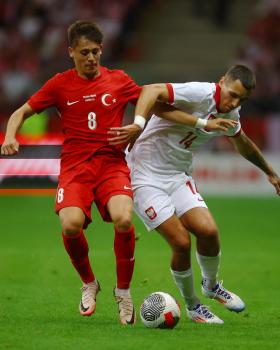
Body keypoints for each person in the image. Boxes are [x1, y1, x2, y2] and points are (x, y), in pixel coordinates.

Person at [0, 20, 236, 326]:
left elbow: (157, 106)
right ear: (71, 52)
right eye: (84, 52)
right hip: (75, 168)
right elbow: (22, 111)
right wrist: (10, 136)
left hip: (112, 165)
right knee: (71, 225)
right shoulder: (59, 84)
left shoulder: (119, 80)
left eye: (96, 51)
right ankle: (89, 282)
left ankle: (123, 292)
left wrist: (200, 123)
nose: (91, 58)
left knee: (124, 218)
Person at [110, 64, 280, 324]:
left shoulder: (232, 110)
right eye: (232, 93)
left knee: (209, 232)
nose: (233, 102)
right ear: (222, 81)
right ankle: (192, 306)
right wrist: (138, 124)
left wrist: (269, 172)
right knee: (181, 243)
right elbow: (150, 91)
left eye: (241, 99)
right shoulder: (198, 93)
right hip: (143, 175)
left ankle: (211, 286)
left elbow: (241, 141)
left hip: (178, 176)